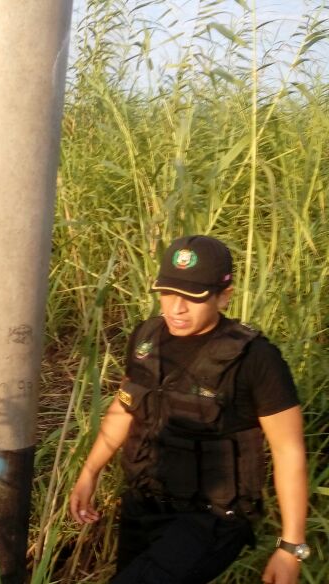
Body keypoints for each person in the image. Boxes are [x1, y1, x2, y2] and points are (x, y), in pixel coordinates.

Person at [68, 235, 309, 584]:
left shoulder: (256, 359)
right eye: (168, 293)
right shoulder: (146, 338)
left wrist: (291, 547)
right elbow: (125, 408)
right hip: (144, 506)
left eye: (193, 298)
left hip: (211, 519)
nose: (176, 309)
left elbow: (289, 451)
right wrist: (90, 471)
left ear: (224, 295)